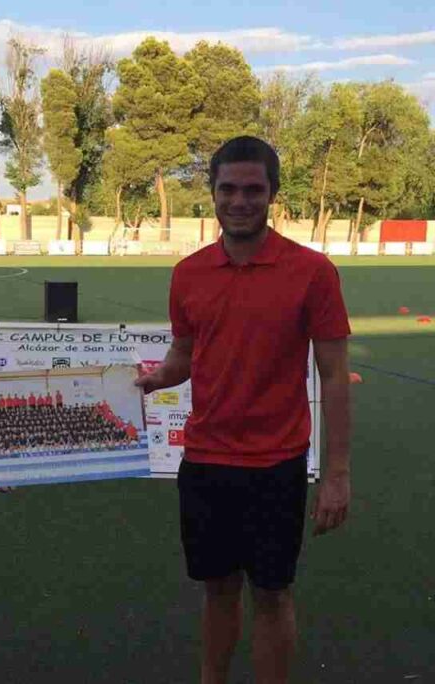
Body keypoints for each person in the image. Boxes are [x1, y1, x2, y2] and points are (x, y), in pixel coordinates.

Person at [137, 136, 351, 684]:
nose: (239, 200)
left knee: (273, 595)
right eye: (228, 188)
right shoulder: (188, 274)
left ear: (272, 194)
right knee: (217, 589)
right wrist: (160, 376)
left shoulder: (313, 272)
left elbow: (333, 376)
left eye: (252, 189)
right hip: (205, 463)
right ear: (212, 192)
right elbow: (186, 353)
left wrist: (336, 477)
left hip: (276, 466)